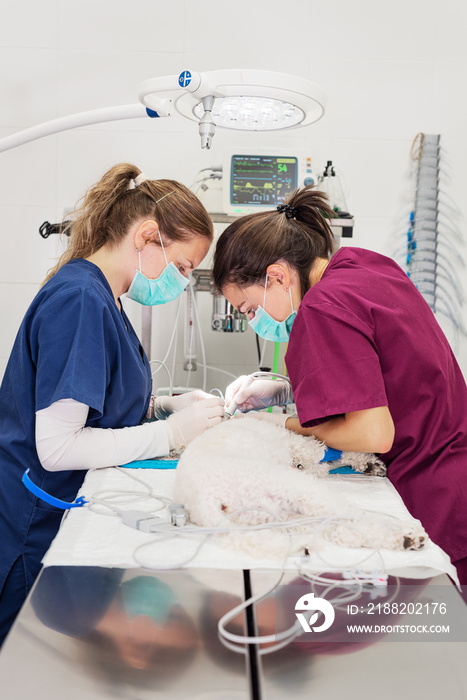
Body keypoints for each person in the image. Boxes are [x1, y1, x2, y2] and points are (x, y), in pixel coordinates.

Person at [0, 163, 224, 645]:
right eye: (182, 267)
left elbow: (97, 404)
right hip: (31, 520)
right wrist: (172, 433)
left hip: (57, 505)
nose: (182, 282)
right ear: (147, 235)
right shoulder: (81, 298)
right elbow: (57, 448)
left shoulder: (105, 294)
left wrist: (162, 405)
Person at [213, 186, 467, 586]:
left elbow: (373, 433)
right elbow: (383, 373)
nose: (253, 321)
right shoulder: (364, 265)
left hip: (435, 494)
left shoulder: (321, 308)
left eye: (249, 308)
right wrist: (285, 392)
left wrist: (282, 426)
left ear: (277, 276)